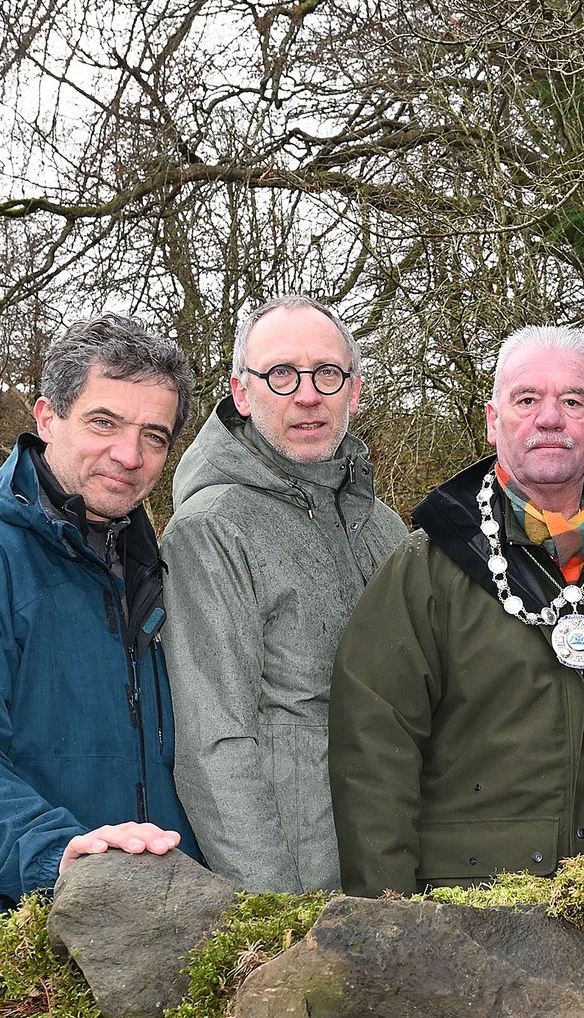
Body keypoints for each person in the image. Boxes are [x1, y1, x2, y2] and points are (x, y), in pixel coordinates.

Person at [327, 325, 584, 896]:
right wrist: (392, 923)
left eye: (573, 400)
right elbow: (372, 756)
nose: (550, 418)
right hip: (470, 912)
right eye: (527, 399)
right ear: (494, 420)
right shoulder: (427, 570)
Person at [0, 313, 197, 941]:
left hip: (151, 927)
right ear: (47, 417)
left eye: (154, 435)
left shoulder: (149, 564)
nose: (129, 455)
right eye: (103, 422)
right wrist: (57, 855)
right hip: (16, 932)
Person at [162, 296, 408, 892]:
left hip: (398, 865)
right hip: (300, 882)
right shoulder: (212, 530)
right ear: (242, 393)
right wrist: (274, 913)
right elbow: (213, 744)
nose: (306, 395)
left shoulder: (387, 529)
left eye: (327, 374)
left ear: (352, 389)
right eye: (280, 374)